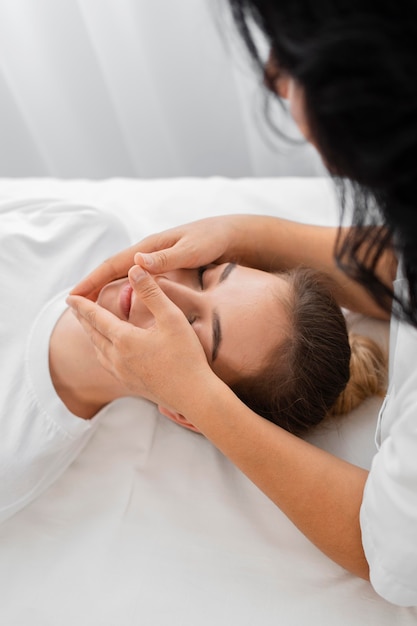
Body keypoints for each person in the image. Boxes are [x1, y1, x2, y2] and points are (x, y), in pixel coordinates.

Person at [67, 0, 417, 607]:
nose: (273, 77)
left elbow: (391, 548)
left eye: (195, 323)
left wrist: (199, 398)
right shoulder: (75, 226)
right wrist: (245, 234)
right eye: (210, 275)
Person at [0, 196, 385, 525]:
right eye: (205, 275)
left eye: (190, 325)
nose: (161, 286)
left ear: (184, 410)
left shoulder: (13, 457)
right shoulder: (83, 231)